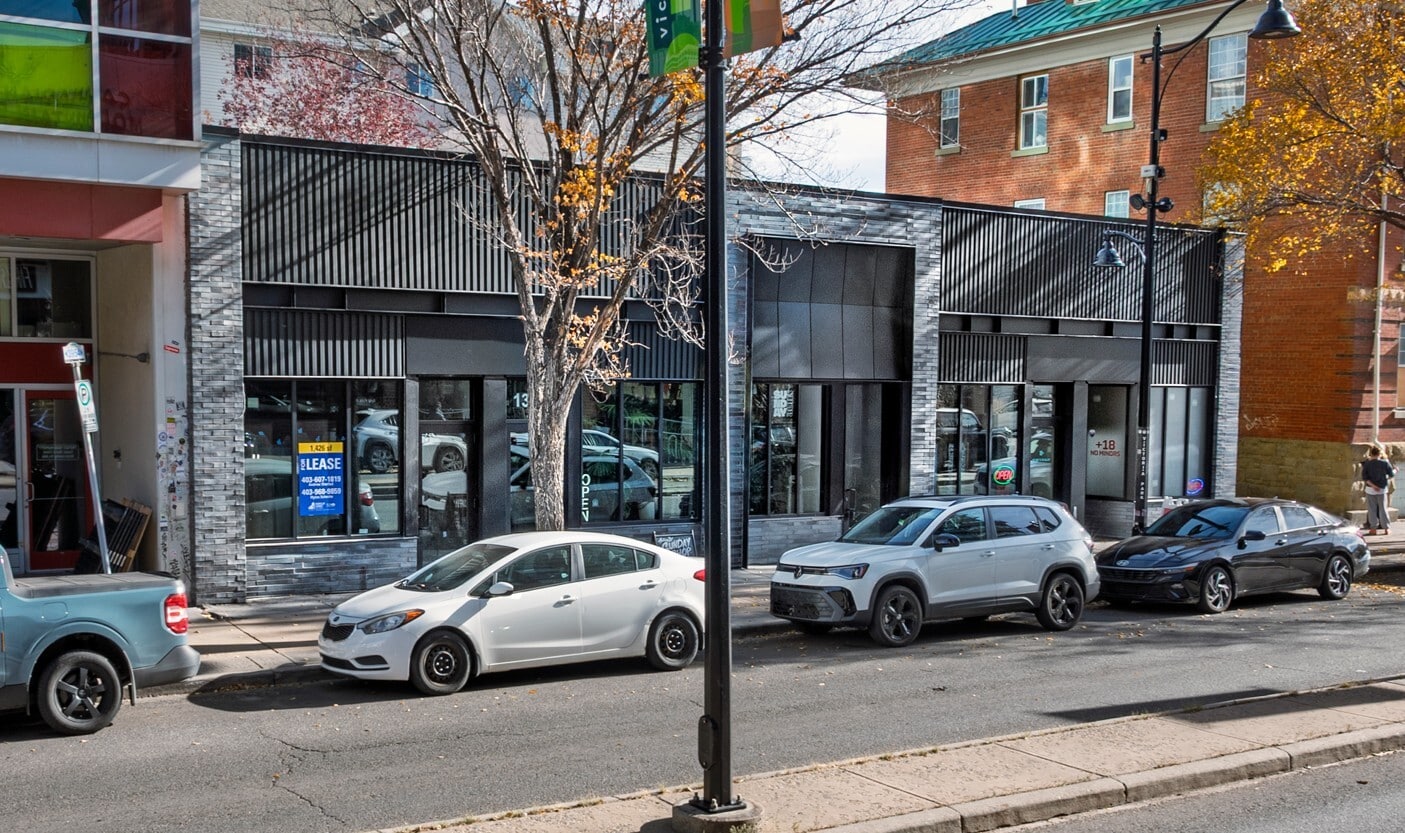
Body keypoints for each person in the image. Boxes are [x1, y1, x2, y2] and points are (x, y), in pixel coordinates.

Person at [1360, 445, 1395, 535]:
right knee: (1383, 509)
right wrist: (1396, 470)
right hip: (1382, 489)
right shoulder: (1385, 463)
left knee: (1372, 509)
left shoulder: (1367, 464)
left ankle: (1373, 529)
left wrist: (1373, 486)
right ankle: (1386, 528)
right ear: (1380, 453)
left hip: (1370, 489)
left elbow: (1365, 477)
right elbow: (1391, 474)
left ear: (1371, 453)